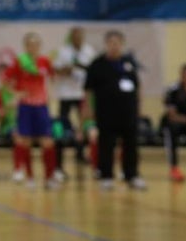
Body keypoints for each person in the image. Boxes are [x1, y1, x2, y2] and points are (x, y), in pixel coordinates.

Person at [83, 30, 145, 191]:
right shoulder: (97, 65)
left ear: (122, 45)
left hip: (128, 112)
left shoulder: (128, 63)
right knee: (106, 144)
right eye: (111, 43)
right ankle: (107, 177)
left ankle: (132, 175)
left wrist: (139, 107)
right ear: (106, 44)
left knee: (131, 144)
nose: (114, 46)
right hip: (106, 112)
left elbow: (137, 87)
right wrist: (88, 109)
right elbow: (88, 90)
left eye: (117, 43)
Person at [2, 32, 60, 188]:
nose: (33, 47)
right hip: (26, 106)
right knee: (25, 141)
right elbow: (5, 79)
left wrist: (49, 92)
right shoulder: (20, 61)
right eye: (30, 44)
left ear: (40, 46)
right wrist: (16, 93)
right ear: (26, 46)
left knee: (47, 142)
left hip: (41, 106)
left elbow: (53, 77)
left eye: (36, 44)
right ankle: (30, 178)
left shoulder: (45, 61)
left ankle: (49, 178)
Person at [53, 26, 97, 174]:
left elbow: (94, 70)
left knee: (84, 125)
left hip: (82, 94)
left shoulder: (89, 51)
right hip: (65, 94)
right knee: (61, 126)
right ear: (71, 37)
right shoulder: (63, 51)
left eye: (80, 36)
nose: (77, 38)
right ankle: (59, 160)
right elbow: (56, 70)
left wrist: (82, 67)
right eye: (75, 36)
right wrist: (68, 69)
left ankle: (80, 153)